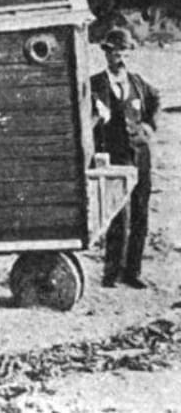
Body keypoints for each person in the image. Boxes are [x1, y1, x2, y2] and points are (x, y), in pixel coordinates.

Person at [91, 27, 160, 289]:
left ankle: (133, 272)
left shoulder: (138, 83)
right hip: (114, 154)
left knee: (140, 211)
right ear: (106, 54)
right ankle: (111, 273)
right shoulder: (95, 84)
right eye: (115, 53)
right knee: (117, 214)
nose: (120, 59)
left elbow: (155, 99)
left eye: (124, 53)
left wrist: (150, 125)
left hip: (140, 154)